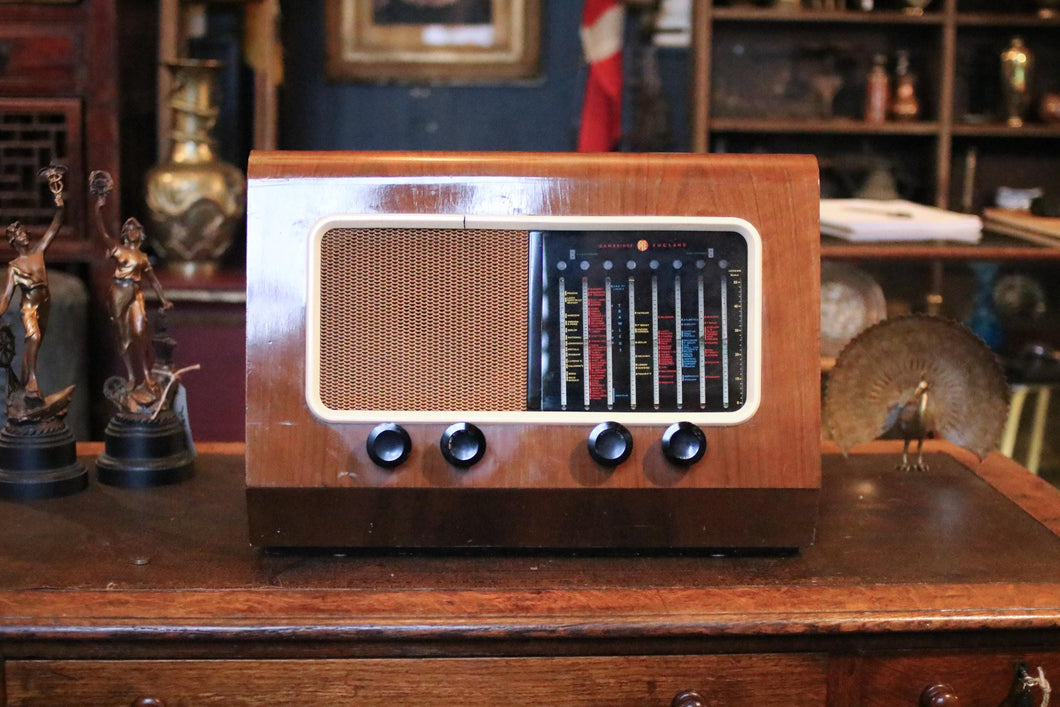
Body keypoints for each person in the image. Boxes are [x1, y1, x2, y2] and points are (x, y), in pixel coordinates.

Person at [91, 171, 172, 403]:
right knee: (123, 335)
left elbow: (153, 280)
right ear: (126, 234)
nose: (133, 231)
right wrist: (99, 207)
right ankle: (130, 375)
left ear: (141, 233)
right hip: (119, 290)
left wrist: (163, 299)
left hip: (135, 292)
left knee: (140, 330)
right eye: (130, 228)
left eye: (136, 229)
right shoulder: (119, 250)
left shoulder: (143, 257)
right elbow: (102, 232)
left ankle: (146, 374)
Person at [0, 178, 65, 401]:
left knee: (35, 342)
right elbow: (6, 298)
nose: (25, 235)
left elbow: (54, 227)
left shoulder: (39, 252)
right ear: (13, 241)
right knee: (33, 336)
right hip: (29, 307)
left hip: (45, 302)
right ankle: (32, 382)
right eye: (19, 234)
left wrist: (59, 204)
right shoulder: (14, 267)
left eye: (24, 232)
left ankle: (25, 378)